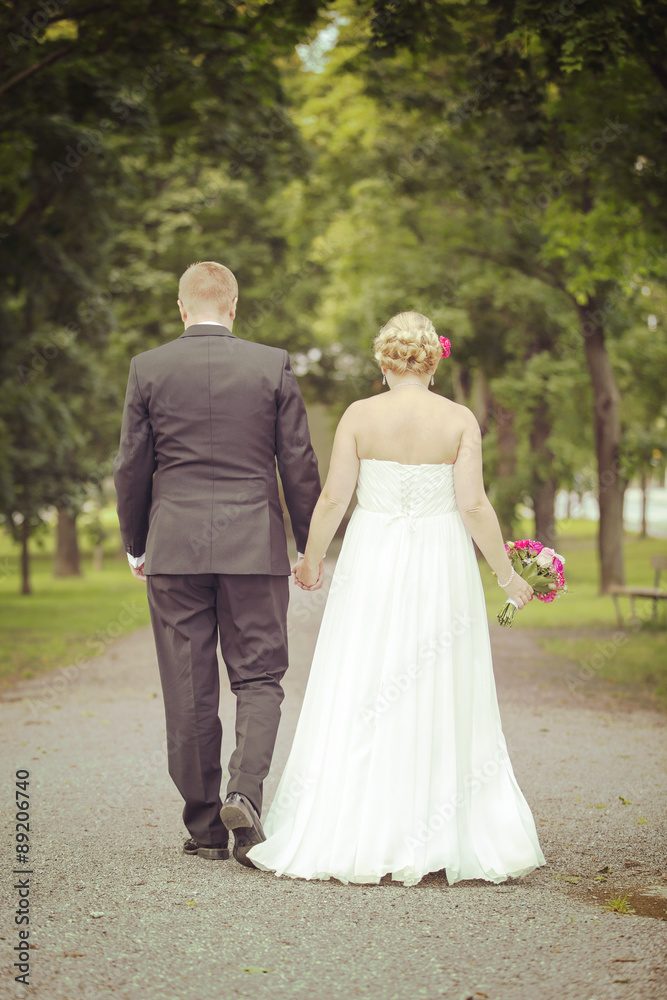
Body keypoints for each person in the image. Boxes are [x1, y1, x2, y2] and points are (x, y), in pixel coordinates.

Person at [246, 311, 547, 886]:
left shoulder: (361, 416)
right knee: (440, 680)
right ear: (435, 360)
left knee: (364, 675)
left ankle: (358, 822)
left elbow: (334, 498)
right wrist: (507, 576)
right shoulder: (459, 420)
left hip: (373, 557)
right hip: (441, 560)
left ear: (384, 361)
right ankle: (441, 828)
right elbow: (474, 506)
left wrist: (310, 562)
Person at [113, 261, 321, 864]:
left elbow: (132, 466)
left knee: (187, 683)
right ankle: (245, 796)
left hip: (174, 546)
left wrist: (137, 543)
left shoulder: (148, 368)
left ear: (182, 309)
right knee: (258, 676)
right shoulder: (271, 364)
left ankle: (205, 827)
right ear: (233, 306)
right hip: (253, 544)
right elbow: (298, 461)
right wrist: (308, 544)